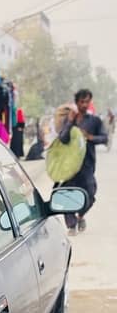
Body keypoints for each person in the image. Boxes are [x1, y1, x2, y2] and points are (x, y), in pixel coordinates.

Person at [56, 89, 107, 234]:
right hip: (70, 166)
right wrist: (70, 122)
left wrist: (91, 137)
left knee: (90, 194)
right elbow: (63, 138)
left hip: (88, 166)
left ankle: (81, 216)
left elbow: (104, 138)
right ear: (77, 102)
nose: (84, 104)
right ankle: (71, 225)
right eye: (82, 101)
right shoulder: (70, 120)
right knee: (66, 193)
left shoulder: (95, 121)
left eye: (87, 101)